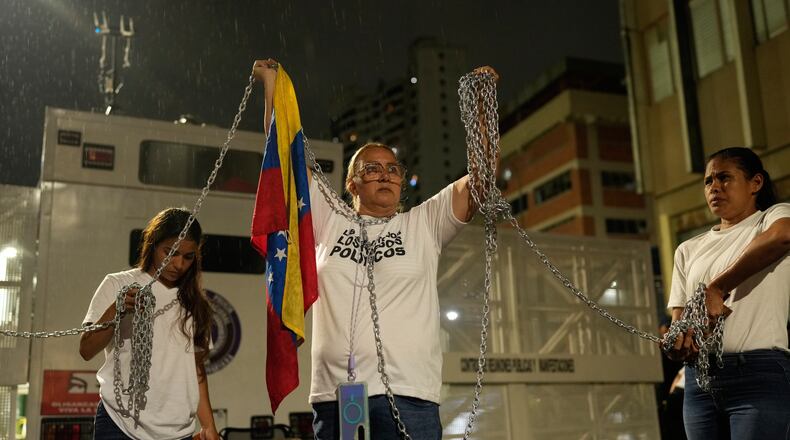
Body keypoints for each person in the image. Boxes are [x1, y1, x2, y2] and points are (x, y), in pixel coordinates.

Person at [253, 59, 497, 439]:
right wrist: (271, 86)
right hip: (336, 396)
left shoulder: (423, 224)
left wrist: (483, 105)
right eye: (371, 168)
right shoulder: (328, 219)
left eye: (393, 168)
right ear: (351, 183)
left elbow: (482, 179)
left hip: (409, 396)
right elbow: (282, 155)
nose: (384, 174)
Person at [664, 147, 790, 439]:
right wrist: (677, 343)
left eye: (725, 177)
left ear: (755, 183)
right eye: (708, 181)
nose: (714, 187)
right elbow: (679, 320)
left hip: (759, 374)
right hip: (699, 382)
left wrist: (718, 287)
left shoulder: (772, 218)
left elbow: (784, 237)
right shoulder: (688, 250)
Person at [79, 208, 219, 440]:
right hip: (120, 424)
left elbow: (195, 369)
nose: (178, 264)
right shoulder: (118, 284)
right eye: (170, 252)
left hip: (178, 431)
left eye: (188, 257)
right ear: (153, 244)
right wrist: (116, 309)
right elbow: (86, 349)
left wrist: (209, 425)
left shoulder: (195, 302)